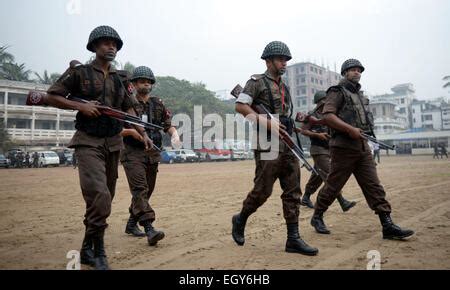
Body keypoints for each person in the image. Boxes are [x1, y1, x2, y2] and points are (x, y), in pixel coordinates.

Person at [45, 25, 152, 270]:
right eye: (105, 43)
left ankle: (85, 249)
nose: (111, 46)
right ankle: (100, 252)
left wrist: (142, 132)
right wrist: (80, 107)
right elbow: (51, 96)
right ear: (94, 46)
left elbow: (130, 109)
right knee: (100, 196)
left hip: (113, 143)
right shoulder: (79, 72)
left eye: (114, 43)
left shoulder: (121, 78)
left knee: (105, 199)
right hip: (88, 141)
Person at [310, 59, 414, 240]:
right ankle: (317, 216)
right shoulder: (337, 92)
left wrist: (370, 140)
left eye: (359, 70)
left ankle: (387, 224)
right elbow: (328, 116)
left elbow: (365, 122)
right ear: (345, 73)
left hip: (362, 146)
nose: (357, 72)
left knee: (374, 186)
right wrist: (350, 129)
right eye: (352, 70)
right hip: (343, 147)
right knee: (334, 185)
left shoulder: (361, 96)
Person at [231, 41, 318, 256]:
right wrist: (267, 122)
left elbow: (284, 115)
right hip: (267, 143)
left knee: (293, 191)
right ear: (268, 61)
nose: (284, 63)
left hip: (287, 142)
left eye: (286, 60)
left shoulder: (285, 87)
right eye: (280, 59)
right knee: (263, 191)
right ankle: (240, 218)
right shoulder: (256, 82)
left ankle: (293, 239)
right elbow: (241, 107)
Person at [120, 66, 181, 246]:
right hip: (132, 152)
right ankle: (149, 228)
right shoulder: (126, 103)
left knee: (147, 190)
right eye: (142, 81)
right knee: (140, 188)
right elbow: (115, 130)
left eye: (149, 81)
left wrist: (175, 135)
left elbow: (167, 124)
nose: (146, 84)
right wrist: (132, 133)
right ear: (134, 84)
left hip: (153, 152)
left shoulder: (157, 103)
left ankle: (131, 224)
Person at [300, 91, 356, 211]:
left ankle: (306, 197)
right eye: (324, 100)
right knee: (331, 176)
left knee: (318, 176)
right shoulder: (311, 115)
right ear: (319, 102)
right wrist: (317, 135)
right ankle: (342, 201)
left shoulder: (330, 114)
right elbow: (303, 130)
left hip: (329, 149)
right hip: (318, 149)